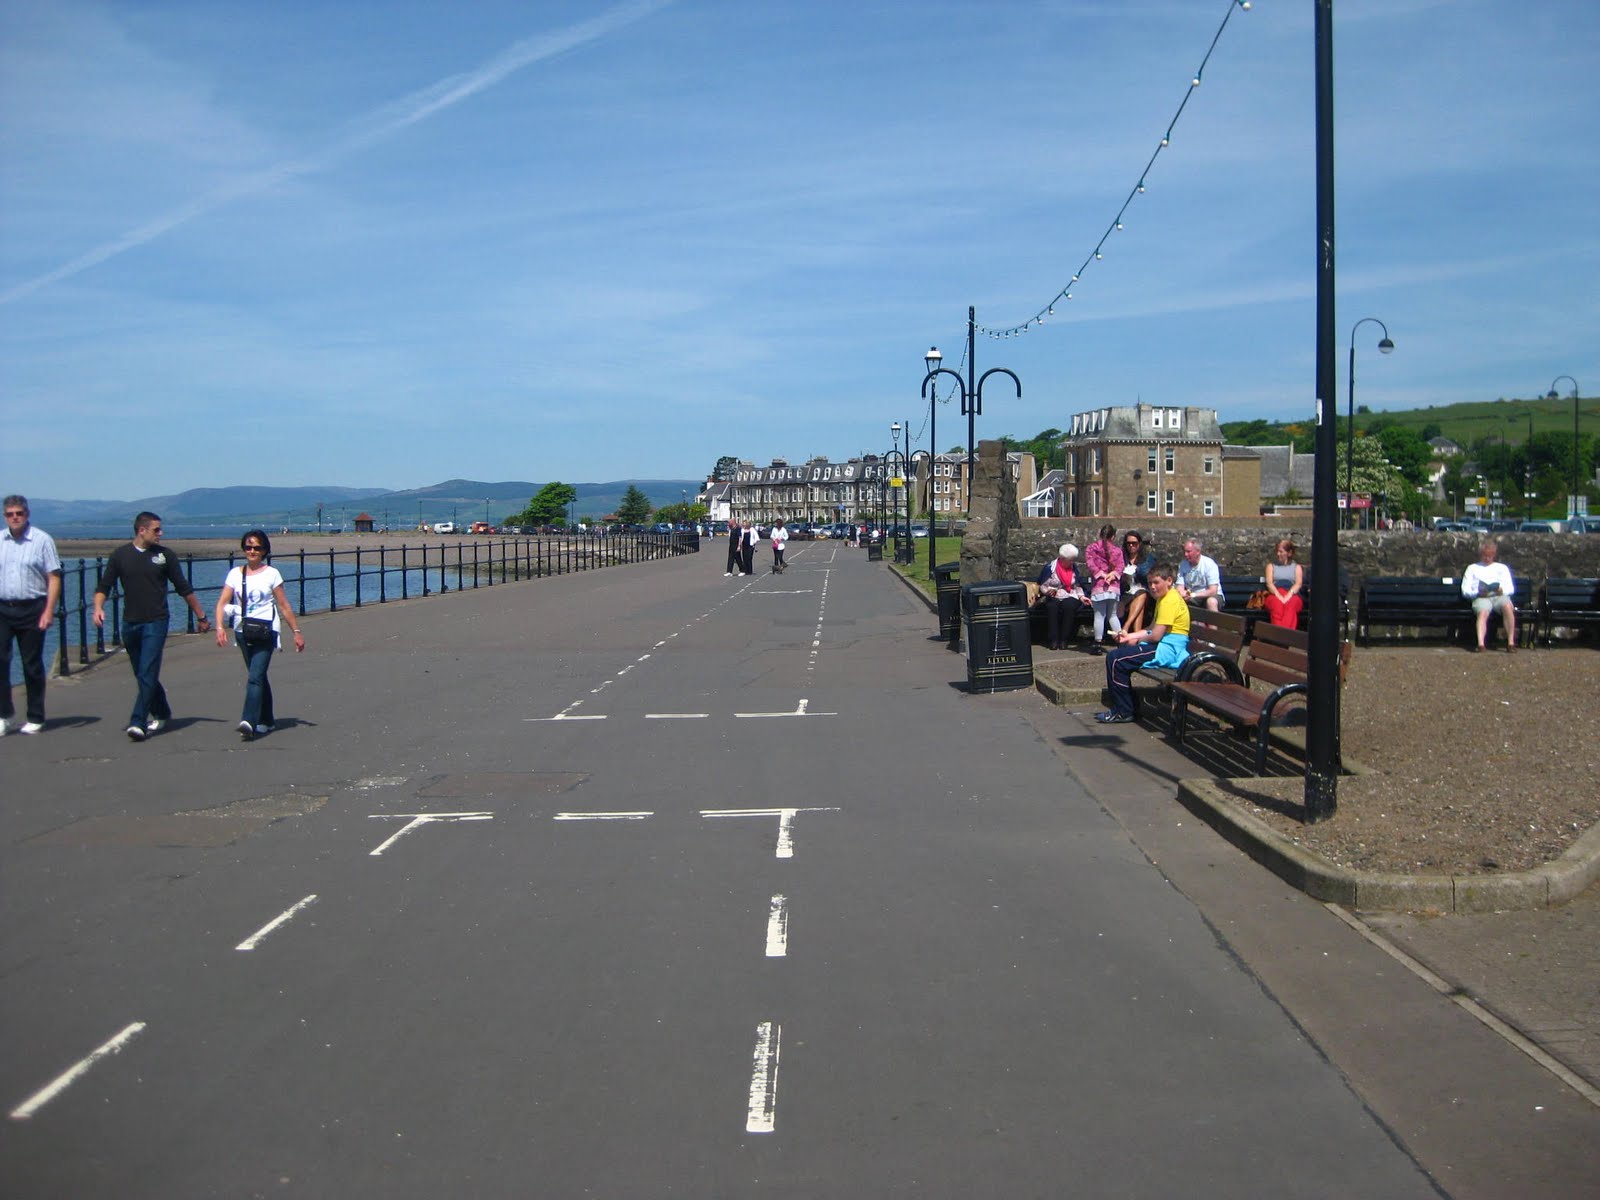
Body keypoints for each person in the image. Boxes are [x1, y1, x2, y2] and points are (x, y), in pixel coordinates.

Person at [93, 511, 212, 741]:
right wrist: (98, 607)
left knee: (148, 670)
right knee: (142, 673)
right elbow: (104, 586)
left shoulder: (165, 556)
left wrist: (201, 615)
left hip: (156, 622)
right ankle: (162, 711)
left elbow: (183, 587)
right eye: (156, 530)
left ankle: (138, 722)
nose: (161, 533)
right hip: (130, 622)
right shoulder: (120, 555)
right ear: (142, 530)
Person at [215, 530, 304, 740]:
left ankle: (248, 720)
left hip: (266, 631)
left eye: (257, 547)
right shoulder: (235, 574)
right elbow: (222, 603)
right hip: (243, 631)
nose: (252, 551)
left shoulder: (272, 574)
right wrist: (219, 627)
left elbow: (284, 605)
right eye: (248, 547)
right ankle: (267, 719)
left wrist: (296, 632)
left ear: (264, 550)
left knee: (255, 677)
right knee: (259, 676)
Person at [1096, 564, 1190, 724]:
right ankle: (1129, 707)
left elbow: (1156, 636)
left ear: (1169, 580)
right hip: (1162, 644)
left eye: (1156, 582)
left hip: (1168, 650)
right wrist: (1129, 636)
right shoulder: (1164, 598)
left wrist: (1137, 640)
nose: (1152, 587)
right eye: (1150, 583)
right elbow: (1151, 628)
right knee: (1121, 653)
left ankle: (1124, 711)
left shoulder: (1169, 601)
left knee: (1116, 659)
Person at [1, 495, 62, 736]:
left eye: (19, 513)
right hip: (3, 608)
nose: (15, 517)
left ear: (27, 514)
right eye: (10, 514)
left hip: (32, 608)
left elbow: (54, 577)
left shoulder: (41, 540)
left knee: (31, 664)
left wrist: (48, 610)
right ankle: (4, 715)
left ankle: (35, 716)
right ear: (5, 516)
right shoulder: (0, 540)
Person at [1461, 539, 1516, 652]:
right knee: (1483, 612)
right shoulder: (1472, 568)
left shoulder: (1502, 568)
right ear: (1480, 554)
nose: (1487, 558)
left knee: (1507, 606)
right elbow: (1465, 590)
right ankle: (1481, 644)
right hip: (1481, 597)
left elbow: (1510, 588)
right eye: (1484, 555)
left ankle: (1511, 643)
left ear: (1494, 555)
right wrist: (1477, 593)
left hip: (1498, 596)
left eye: (1489, 555)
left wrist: (1502, 591)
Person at [1036, 543, 1087, 652]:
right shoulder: (1050, 568)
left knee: (1069, 606)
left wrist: (1082, 597)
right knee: (1052, 607)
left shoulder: (1074, 569)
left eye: (1073, 560)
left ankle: (1064, 639)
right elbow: (1042, 585)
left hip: (1070, 594)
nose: (1072, 562)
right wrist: (1048, 591)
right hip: (1053, 595)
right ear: (1062, 558)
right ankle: (1054, 640)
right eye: (1070, 560)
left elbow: (1077, 585)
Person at [1084, 523, 1125, 650]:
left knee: (1099, 616)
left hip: (1099, 586)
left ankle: (1098, 643)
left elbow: (1091, 565)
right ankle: (1121, 641)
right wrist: (1113, 575)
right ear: (1113, 536)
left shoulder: (1091, 548)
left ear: (1100, 534)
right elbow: (1121, 566)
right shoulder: (1117, 551)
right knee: (1113, 615)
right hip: (1113, 587)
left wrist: (1101, 574)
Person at [1117, 531, 1153, 634]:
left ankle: (1126, 626)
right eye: (1128, 543)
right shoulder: (1121, 558)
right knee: (1139, 603)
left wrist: (1136, 570)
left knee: (1141, 594)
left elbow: (1148, 574)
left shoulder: (1147, 558)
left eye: (1134, 543)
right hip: (1126, 592)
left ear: (1139, 544)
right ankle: (1136, 635)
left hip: (1143, 590)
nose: (1131, 546)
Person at [1263, 539, 1304, 629]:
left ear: (1289, 553)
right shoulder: (1271, 566)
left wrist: (1288, 596)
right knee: (1277, 605)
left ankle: (1284, 633)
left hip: (1292, 593)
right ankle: (1280, 633)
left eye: (1281, 552)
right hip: (1275, 593)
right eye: (1277, 551)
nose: (1278, 554)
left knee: (1291, 606)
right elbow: (1269, 584)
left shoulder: (1297, 567)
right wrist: (1279, 596)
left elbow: (1298, 584)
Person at [1177, 538, 1224, 611]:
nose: (1185, 554)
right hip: (1192, 597)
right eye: (1184, 551)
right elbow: (1180, 587)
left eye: (1188, 552)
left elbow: (1213, 590)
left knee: (1211, 602)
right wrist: (1183, 593)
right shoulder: (1183, 565)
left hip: (1212, 596)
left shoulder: (1209, 564)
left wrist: (1193, 595)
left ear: (1198, 551)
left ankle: (1214, 619)